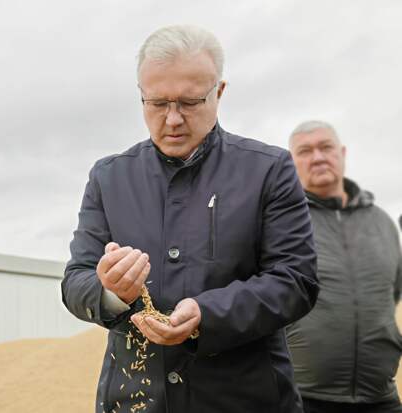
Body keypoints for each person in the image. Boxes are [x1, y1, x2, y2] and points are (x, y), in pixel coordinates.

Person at [61, 24, 319, 412]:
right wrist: (112, 292)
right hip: (136, 399)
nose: (173, 119)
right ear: (141, 94)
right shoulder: (108, 177)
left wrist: (207, 315)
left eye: (190, 102)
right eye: (157, 103)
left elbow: (295, 280)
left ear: (219, 92)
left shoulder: (269, 170)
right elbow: (75, 281)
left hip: (245, 400)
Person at [286, 120, 402, 413]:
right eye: (305, 151)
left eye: (326, 147)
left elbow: (393, 295)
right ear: (291, 162)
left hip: (381, 398)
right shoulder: (284, 223)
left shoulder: (382, 222)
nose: (318, 157)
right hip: (302, 398)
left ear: (343, 153)